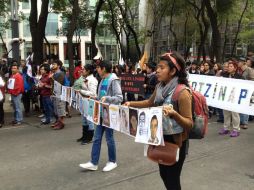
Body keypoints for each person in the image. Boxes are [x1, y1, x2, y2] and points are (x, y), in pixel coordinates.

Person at [124, 51, 193, 190]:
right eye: (158, 67)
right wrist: (130, 103)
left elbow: (189, 124)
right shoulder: (159, 87)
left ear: (173, 71)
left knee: (172, 179)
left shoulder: (183, 92)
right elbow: (149, 102)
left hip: (176, 141)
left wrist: (174, 114)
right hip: (160, 137)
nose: (157, 70)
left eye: (162, 68)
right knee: (163, 174)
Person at [79, 60, 123, 172]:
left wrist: (107, 98)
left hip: (109, 114)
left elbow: (119, 98)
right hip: (100, 114)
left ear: (103, 68)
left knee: (109, 139)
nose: (97, 70)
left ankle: (112, 161)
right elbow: (100, 96)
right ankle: (93, 163)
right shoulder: (102, 79)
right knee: (96, 138)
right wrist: (95, 99)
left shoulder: (114, 80)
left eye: (98, 68)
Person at [74, 64, 98, 145]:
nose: (82, 71)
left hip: (89, 101)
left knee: (89, 119)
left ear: (88, 71)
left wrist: (81, 91)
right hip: (83, 100)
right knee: (84, 118)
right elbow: (77, 85)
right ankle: (84, 136)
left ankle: (90, 137)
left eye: (83, 69)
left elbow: (93, 94)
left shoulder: (92, 80)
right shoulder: (83, 78)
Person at [219, 61, 242, 137]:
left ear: (235, 68)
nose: (229, 67)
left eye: (231, 66)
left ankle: (236, 129)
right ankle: (226, 128)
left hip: (234, 98)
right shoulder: (224, 75)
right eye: (228, 66)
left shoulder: (239, 76)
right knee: (226, 113)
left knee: (235, 114)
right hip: (226, 97)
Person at [51, 60, 66, 130]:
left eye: (54, 64)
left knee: (60, 108)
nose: (53, 65)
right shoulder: (55, 73)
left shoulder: (60, 73)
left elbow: (58, 83)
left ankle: (61, 123)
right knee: (57, 108)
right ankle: (58, 121)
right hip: (55, 93)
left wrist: (51, 78)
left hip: (60, 93)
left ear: (58, 66)